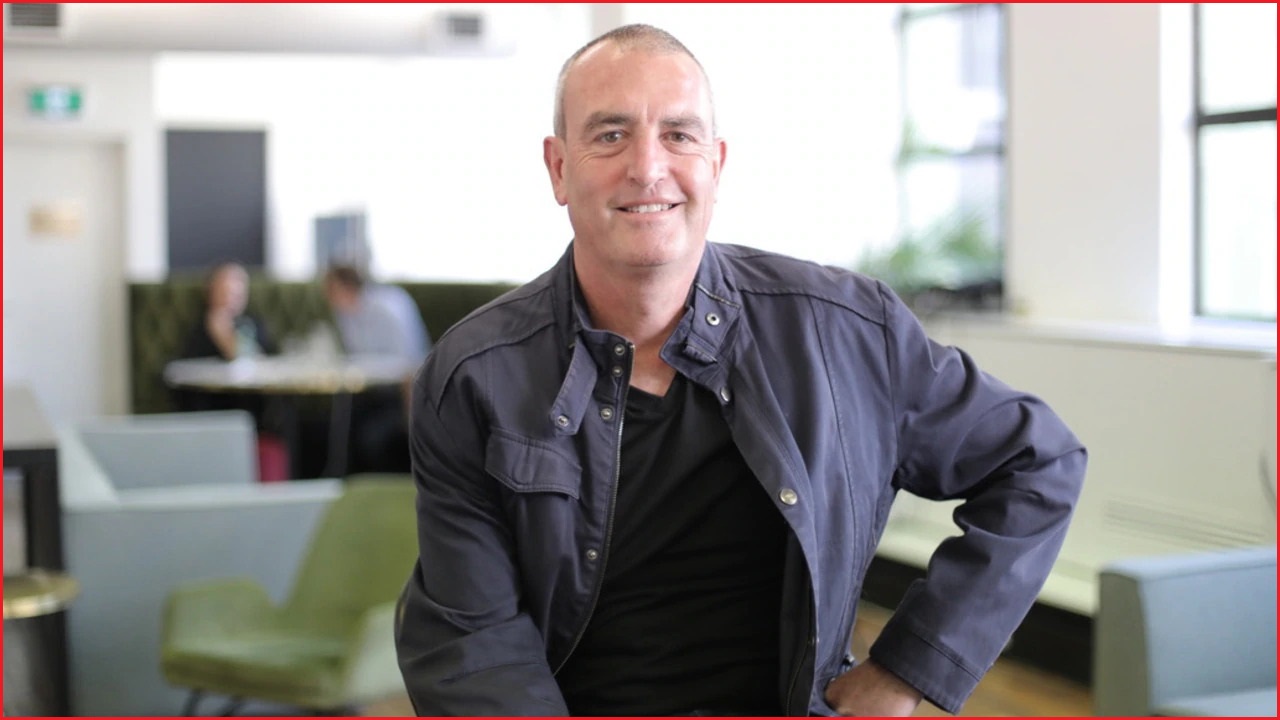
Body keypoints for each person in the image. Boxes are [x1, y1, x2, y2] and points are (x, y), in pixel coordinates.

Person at [395, 24, 1086, 717]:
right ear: (558, 168)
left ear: (716, 164)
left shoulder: (845, 329)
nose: (647, 166)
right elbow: (473, 640)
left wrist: (908, 669)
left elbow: (1039, 461)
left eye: (678, 135)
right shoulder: (474, 376)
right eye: (609, 135)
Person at [322, 264, 432, 473]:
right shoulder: (344, 314)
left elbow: (410, 364)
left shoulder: (388, 308)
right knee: (335, 423)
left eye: (331, 290)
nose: (328, 297)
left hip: (403, 394)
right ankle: (340, 477)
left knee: (368, 434)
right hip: (370, 392)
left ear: (346, 286)